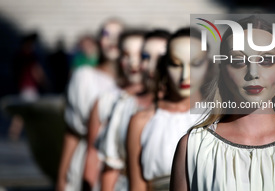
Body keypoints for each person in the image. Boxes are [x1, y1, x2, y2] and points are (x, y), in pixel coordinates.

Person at [170, 16, 275, 191]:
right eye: (239, 61)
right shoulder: (194, 146)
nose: (253, 73)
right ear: (222, 69)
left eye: (266, 60)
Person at [83, 29, 169, 191]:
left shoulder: (198, 111)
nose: (151, 66)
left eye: (161, 58)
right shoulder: (120, 106)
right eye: (145, 57)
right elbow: (108, 165)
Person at [127, 28, 209, 191]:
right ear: (165, 66)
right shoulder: (142, 121)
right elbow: (137, 186)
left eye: (196, 63)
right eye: (176, 64)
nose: (185, 74)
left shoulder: (221, 116)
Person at [57, 18, 123, 191]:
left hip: (121, 169)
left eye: (118, 35)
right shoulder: (84, 76)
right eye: (107, 34)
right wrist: (61, 178)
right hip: (85, 161)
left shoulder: (133, 87)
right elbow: (72, 131)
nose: (112, 40)